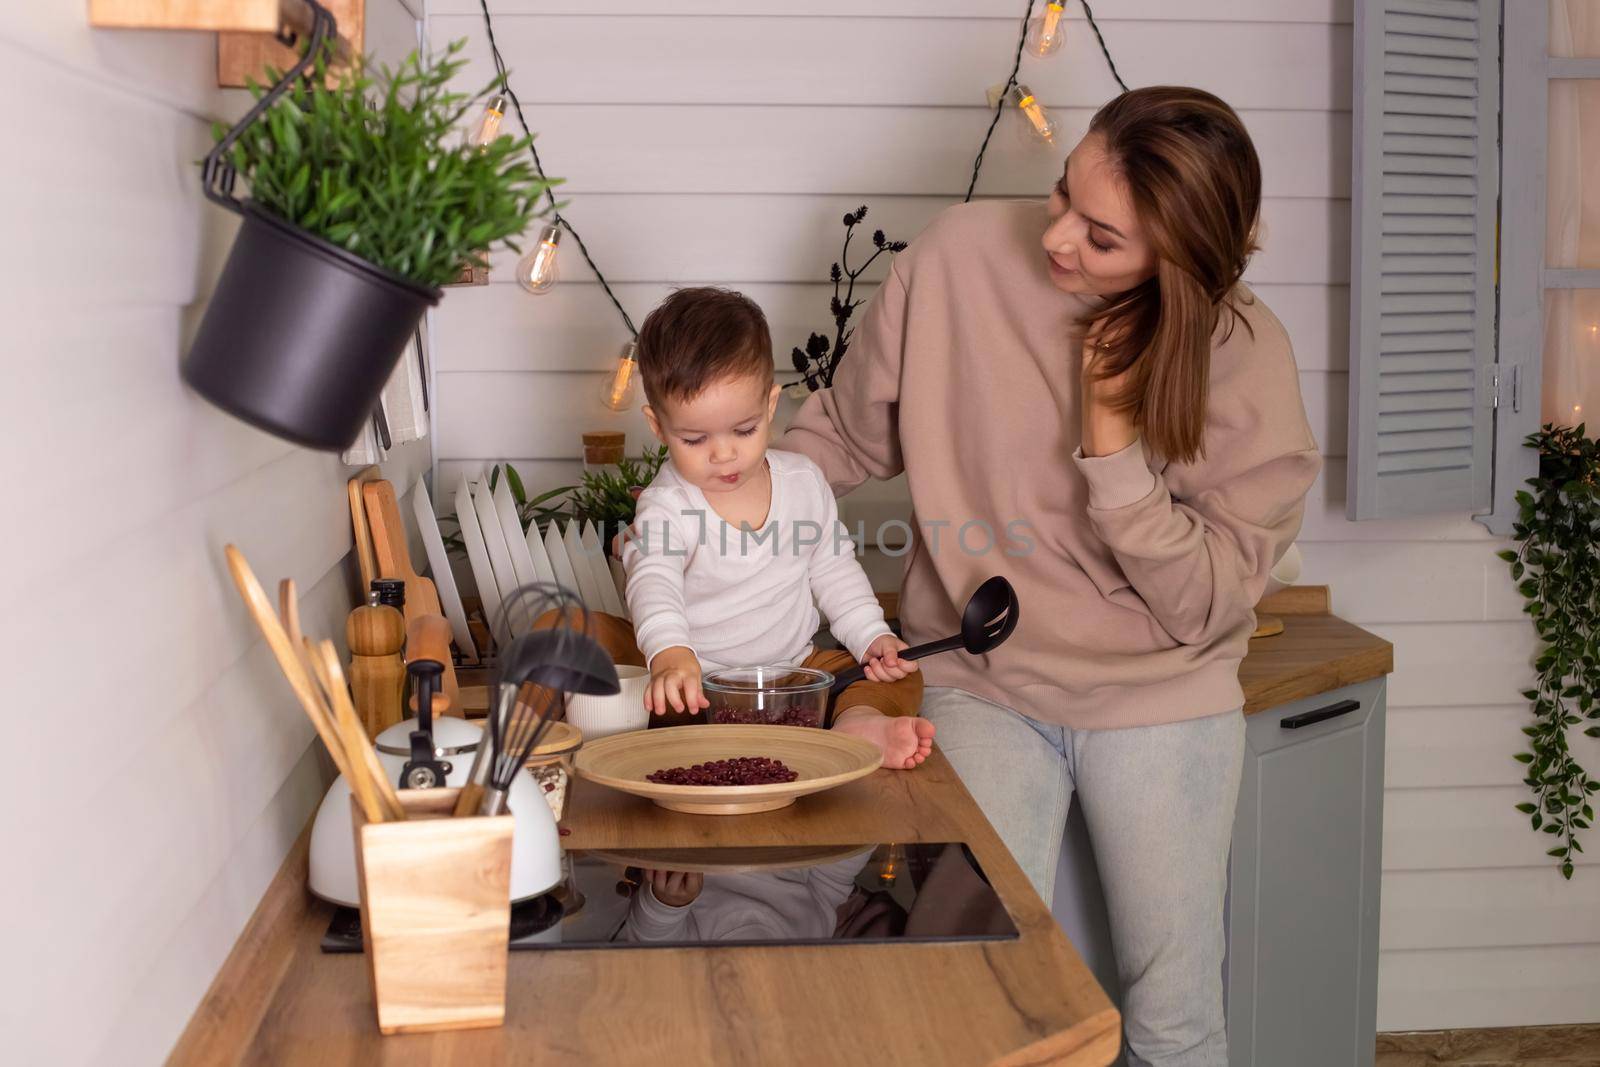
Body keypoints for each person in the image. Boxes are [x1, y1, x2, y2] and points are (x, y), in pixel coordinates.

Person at [780, 86, 1321, 1066]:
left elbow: (1202, 603)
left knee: (1172, 1017)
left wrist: (1112, 453)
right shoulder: (954, 260)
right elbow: (846, 436)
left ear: (1179, 268)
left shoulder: (1244, 359)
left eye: (1102, 238)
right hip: (984, 684)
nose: (1059, 239)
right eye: (1063, 191)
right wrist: (713, 509)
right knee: (968, 997)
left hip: (1160, 695)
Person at [615, 286, 936, 769]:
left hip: (792, 675)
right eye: (695, 438)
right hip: (699, 682)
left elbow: (833, 570)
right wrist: (670, 655)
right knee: (585, 641)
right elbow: (653, 580)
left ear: (769, 406)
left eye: (743, 431)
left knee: (900, 671)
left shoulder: (803, 482)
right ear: (658, 427)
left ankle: (858, 723)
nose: (723, 454)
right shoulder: (667, 505)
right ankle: (688, 729)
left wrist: (872, 636)